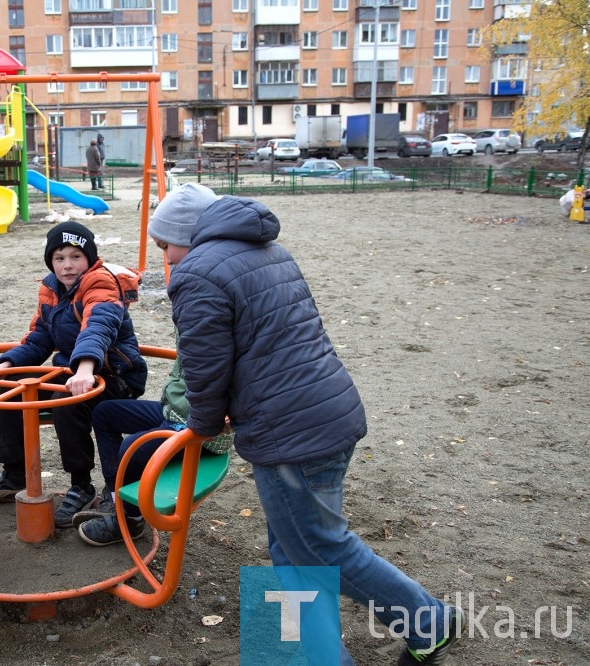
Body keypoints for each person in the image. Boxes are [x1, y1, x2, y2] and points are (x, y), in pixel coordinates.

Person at [151, 183, 460, 665]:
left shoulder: (198, 273)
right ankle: (318, 653)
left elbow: (205, 364)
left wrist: (205, 424)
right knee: (291, 546)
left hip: (290, 435)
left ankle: (428, 620)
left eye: (163, 244)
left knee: (318, 545)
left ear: (185, 237)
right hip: (327, 409)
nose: (163, 256)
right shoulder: (268, 250)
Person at [0, 221, 149, 528]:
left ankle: (81, 486)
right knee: (14, 387)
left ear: (89, 258)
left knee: (65, 400)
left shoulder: (100, 284)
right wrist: (9, 364)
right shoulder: (51, 288)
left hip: (115, 373)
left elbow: (98, 326)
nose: (67, 266)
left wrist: (85, 368)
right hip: (73, 369)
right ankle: (14, 475)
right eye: (59, 258)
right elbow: (40, 336)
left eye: (75, 257)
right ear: (50, 261)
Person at [75, 330, 234, 546]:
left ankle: (131, 521)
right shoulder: (194, 309)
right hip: (175, 409)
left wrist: (226, 415)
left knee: (132, 449)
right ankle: (116, 500)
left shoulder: (213, 316)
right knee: (105, 413)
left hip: (201, 425)